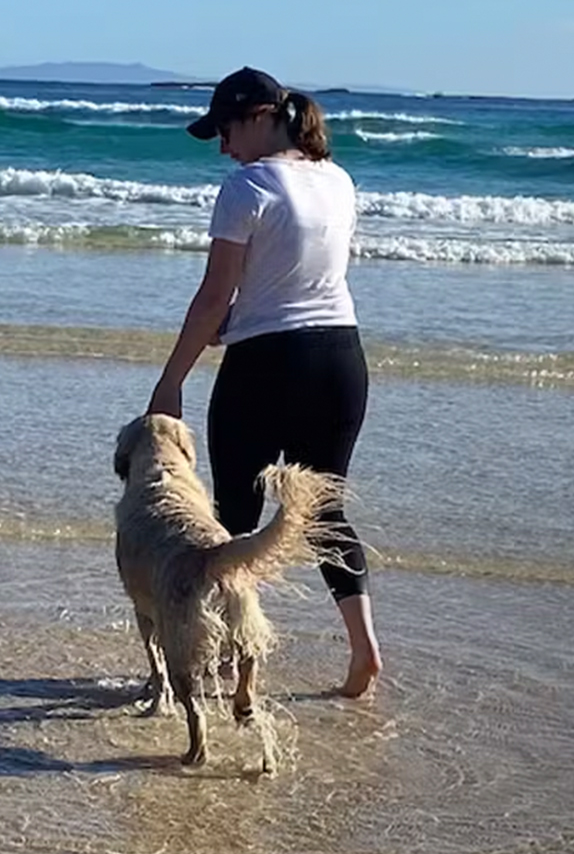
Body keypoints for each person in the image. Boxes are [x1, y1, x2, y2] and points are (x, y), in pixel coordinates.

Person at [146, 66, 381, 698]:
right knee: (324, 509)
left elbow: (213, 295)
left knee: (234, 517)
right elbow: (299, 278)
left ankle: (231, 660)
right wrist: (243, 317)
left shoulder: (247, 186)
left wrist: (170, 382)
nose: (223, 148)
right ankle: (363, 649)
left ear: (257, 117)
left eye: (225, 131)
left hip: (266, 367)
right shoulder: (337, 179)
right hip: (341, 358)